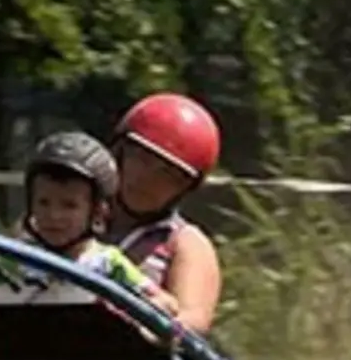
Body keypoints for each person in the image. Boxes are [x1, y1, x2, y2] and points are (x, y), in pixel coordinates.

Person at [18, 131, 179, 317]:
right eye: (43, 202)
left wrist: (151, 306)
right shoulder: (15, 259)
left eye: (69, 205)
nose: (54, 215)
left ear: (97, 212)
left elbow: (167, 303)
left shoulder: (108, 263)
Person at [105, 92, 223, 333]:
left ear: (185, 189)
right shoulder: (63, 219)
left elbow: (194, 319)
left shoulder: (184, 243)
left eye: (168, 175)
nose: (149, 179)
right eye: (143, 159)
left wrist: (162, 322)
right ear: (120, 153)